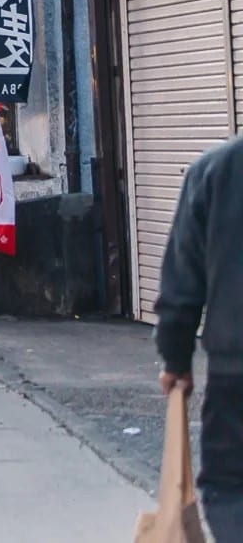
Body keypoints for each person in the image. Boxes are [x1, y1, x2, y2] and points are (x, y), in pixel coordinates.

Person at [156, 132, 243, 541]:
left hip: (236, 376)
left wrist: (175, 360)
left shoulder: (216, 171)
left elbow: (181, 284)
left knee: (230, 489)